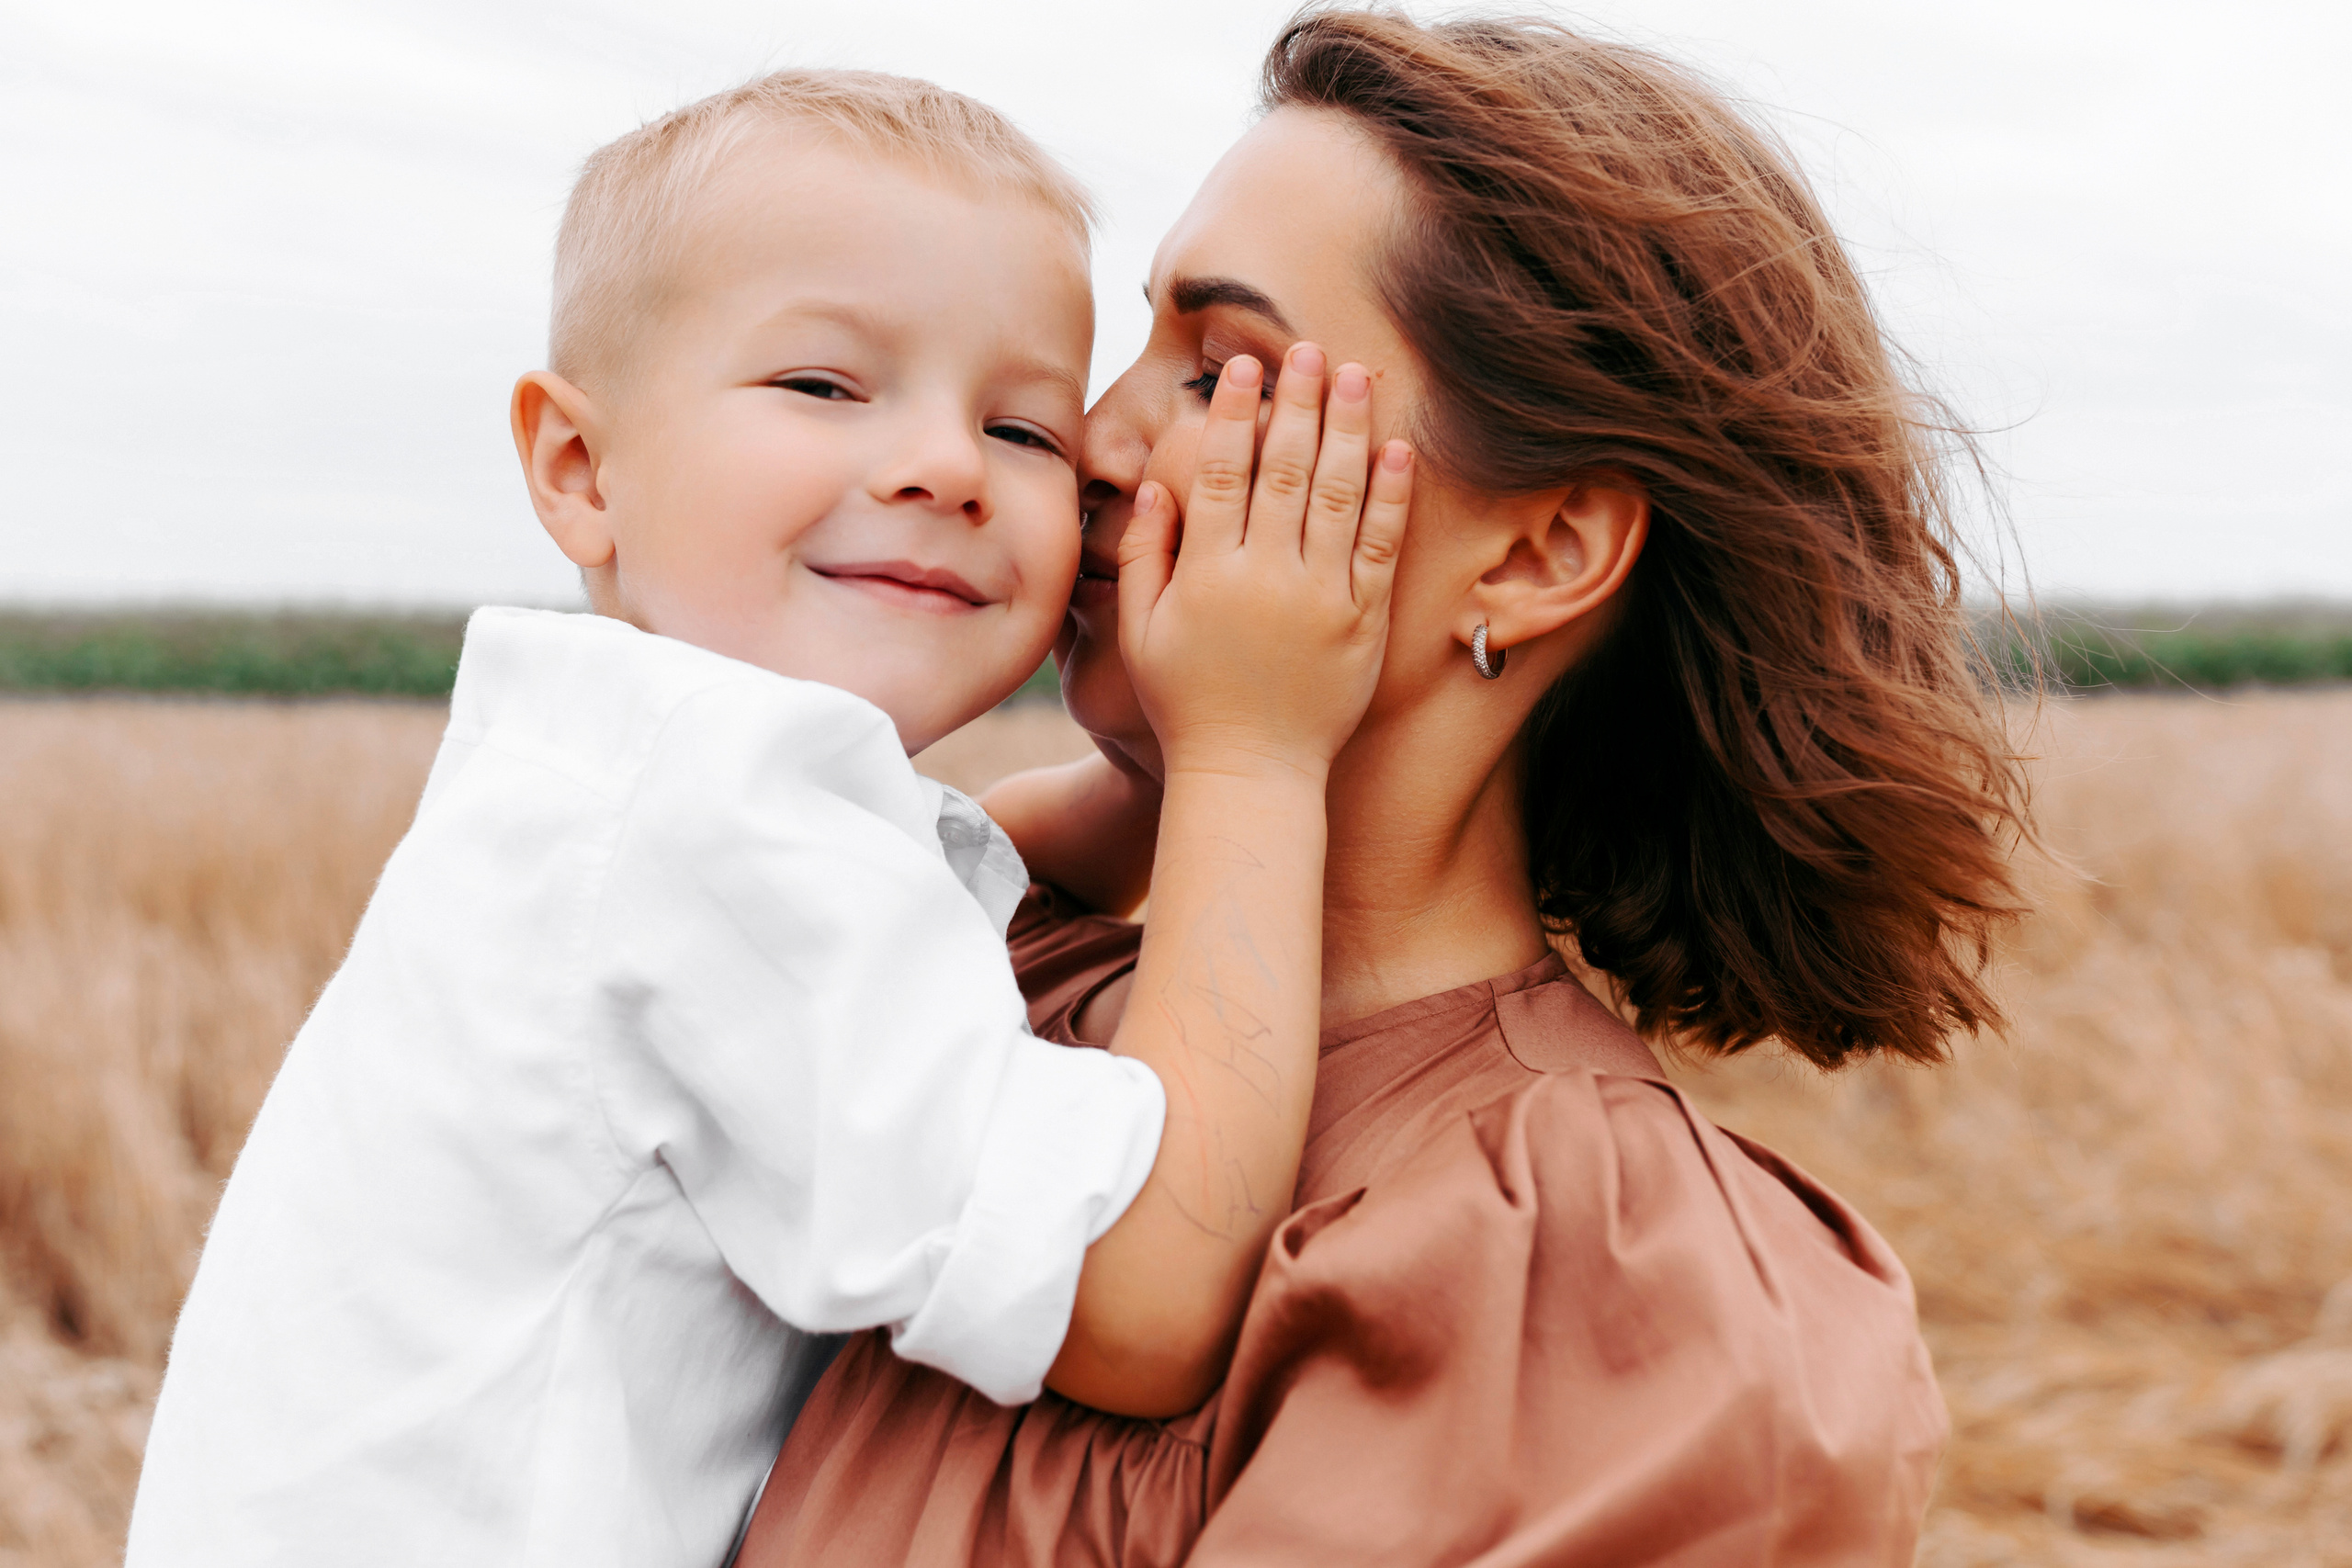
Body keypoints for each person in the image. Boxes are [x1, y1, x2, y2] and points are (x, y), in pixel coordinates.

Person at [741, 14, 2030, 1566]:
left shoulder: (1608, 1291)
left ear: (1538, 556)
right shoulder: (964, 990)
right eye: (1130, 352)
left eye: (1222, 376)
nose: (1088, 441)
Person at [125, 70, 1414, 1567]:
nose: (944, 465)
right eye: (824, 387)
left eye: (1024, 431)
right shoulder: (703, 832)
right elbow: (1141, 1296)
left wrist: (1158, 759)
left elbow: (968, 863)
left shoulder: (619, 782)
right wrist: (1255, 752)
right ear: (579, 469)